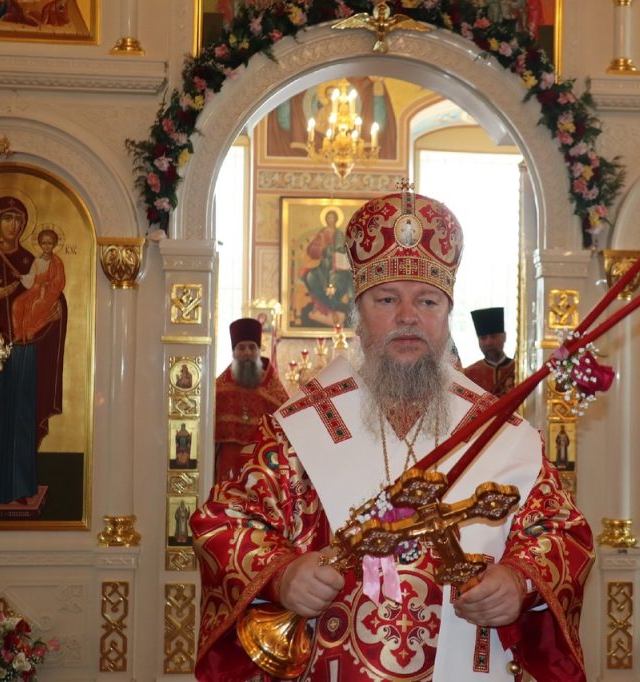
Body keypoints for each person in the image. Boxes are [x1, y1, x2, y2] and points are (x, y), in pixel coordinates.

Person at [192, 187, 594, 682]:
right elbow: (226, 521)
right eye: (387, 299)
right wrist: (281, 573)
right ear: (358, 314)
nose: (408, 316)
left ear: (446, 316)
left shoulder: (500, 434)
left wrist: (520, 580)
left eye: (427, 300)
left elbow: (560, 530)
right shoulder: (300, 428)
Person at [0, 196, 67, 506]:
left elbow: (48, 293)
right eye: (7, 219)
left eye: (19, 219)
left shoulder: (31, 260)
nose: (14, 225)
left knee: (21, 413)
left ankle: (18, 488)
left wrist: (56, 313)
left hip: (22, 347)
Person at [213, 317, 289, 481]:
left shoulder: (272, 387)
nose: (247, 353)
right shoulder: (219, 388)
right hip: (229, 460)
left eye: (252, 347)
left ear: (259, 351)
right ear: (233, 352)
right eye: (241, 348)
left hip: (262, 459)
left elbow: (287, 417)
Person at [11, 227, 66, 344]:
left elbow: (60, 280)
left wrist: (47, 285)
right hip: (34, 289)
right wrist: (20, 276)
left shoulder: (57, 262)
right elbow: (31, 276)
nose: (46, 246)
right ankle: (19, 333)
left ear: (54, 244)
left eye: (49, 243)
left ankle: (31, 330)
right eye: (44, 243)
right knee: (17, 303)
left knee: (36, 305)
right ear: (40, 244)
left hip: (49, 292)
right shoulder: (37, 260)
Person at [463, 307, 516, 398]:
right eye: (483, 338)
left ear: (504, 337)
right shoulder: (468, 374)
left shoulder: (518, 368)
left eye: (493, 336)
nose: (488, 342)